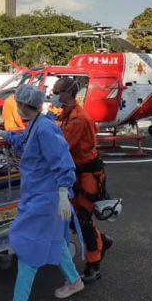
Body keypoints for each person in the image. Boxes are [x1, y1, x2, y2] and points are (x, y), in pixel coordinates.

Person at [0, 84, 84, 301]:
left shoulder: (45, 129)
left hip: (46, 198)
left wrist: (62, 194)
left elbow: (63, 161)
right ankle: (74, 281)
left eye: (18, 104)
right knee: (55, 241)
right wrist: (2, 134)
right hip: (43, 195)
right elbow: (25, 144)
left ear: (23, 105)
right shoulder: (37, 125)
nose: (16, 107)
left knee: (27, 243)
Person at [51, 76, 113, 284]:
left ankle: (93, 265)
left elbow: (60, 146)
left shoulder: (78, 119)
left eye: (57, 91)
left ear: (69, 93)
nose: (54, 95)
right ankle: (101, 241)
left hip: (88, 175)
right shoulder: (65, 115)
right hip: (77, 172)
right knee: (73, 218)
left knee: (84, 220)